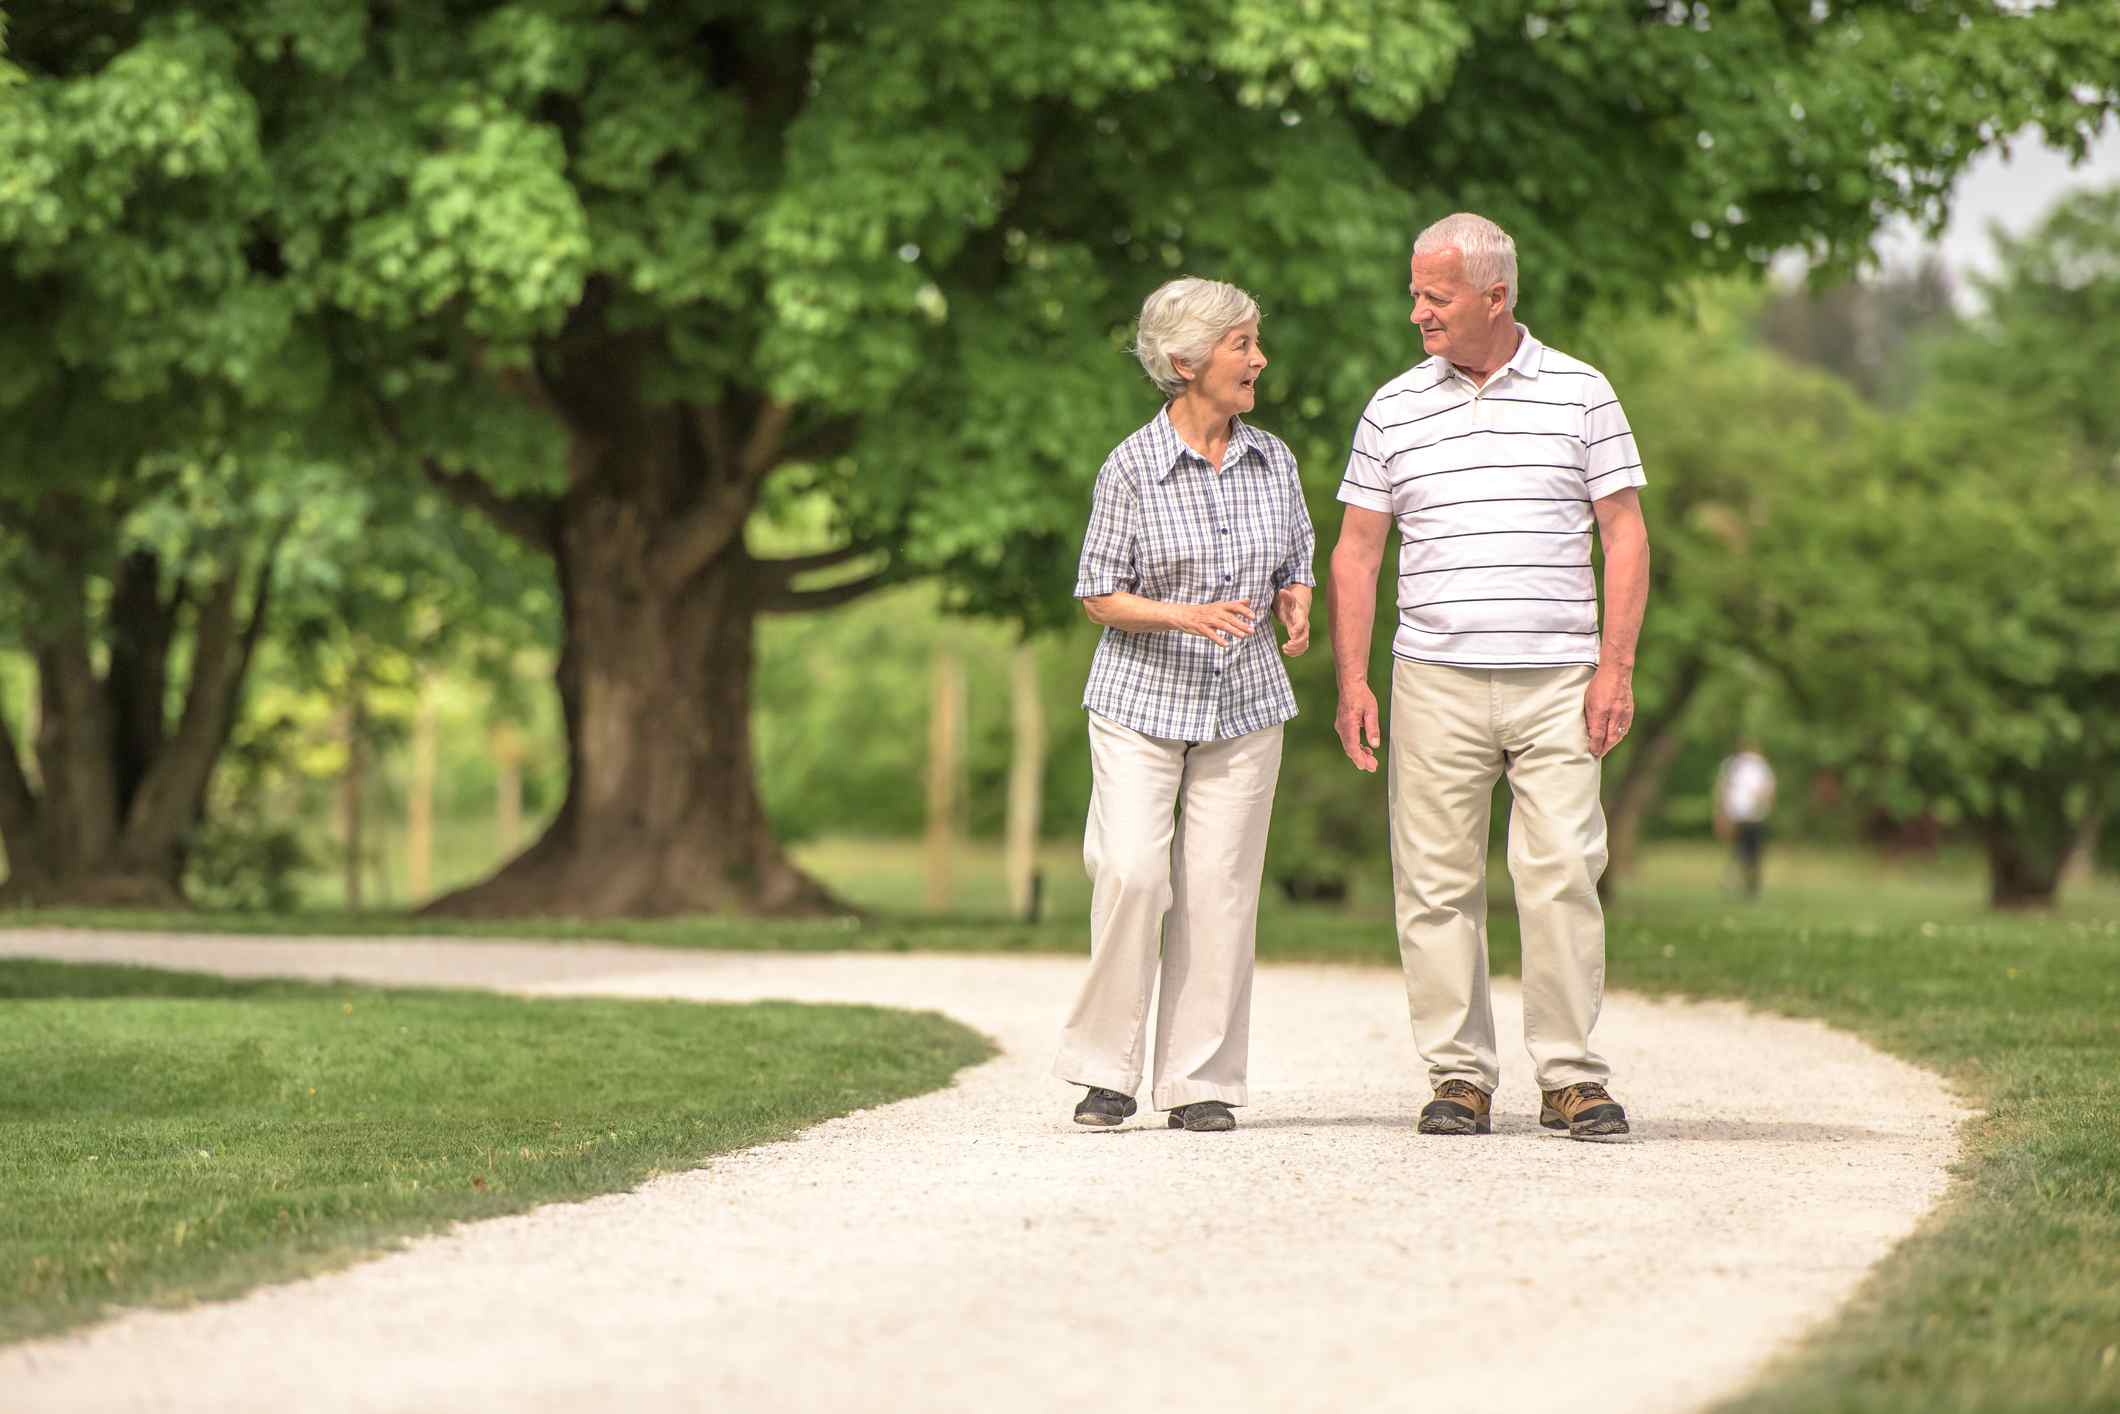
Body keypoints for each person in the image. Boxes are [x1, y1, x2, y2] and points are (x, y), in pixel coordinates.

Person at [1327, 213, 1650, 1141]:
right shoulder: (1393, 407)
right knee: (1433, 884)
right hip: (1433, 677)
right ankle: (1459, 1076)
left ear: (1495, 297)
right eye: (1416, 293)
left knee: (1560, 875)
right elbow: (1356, 554)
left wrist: (1614, 672)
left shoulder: (1581, 393)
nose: (1417, 312)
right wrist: (1355, 681)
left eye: (1435, 296)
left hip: (1558, 678)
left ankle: (1570, 1076)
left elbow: (1623, 534)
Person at [1054, 276, 1315, 1134]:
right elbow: (1098, 594)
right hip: (1139, 701)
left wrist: (1296, 594)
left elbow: (1297, 550)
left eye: (1254, 342)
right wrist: (1184, 614)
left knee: (1219, 892)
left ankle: (1200, 1082)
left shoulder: (1273, 459)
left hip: (1243, 705)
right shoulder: (1130, 467)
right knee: (1131, 872)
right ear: (1185, 361)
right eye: (1243, 345)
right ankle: (1105, 1072)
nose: (1260, 360)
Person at [1714, 741, 1776, 898]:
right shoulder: (1731, 765)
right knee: (1741, 850)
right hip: (1738, 815)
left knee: (1751, 852)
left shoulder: (1759, 765)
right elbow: (1723, 789)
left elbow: (1768, 788)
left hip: (1754, 815)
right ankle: (1741, 882)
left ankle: (1749, 885)